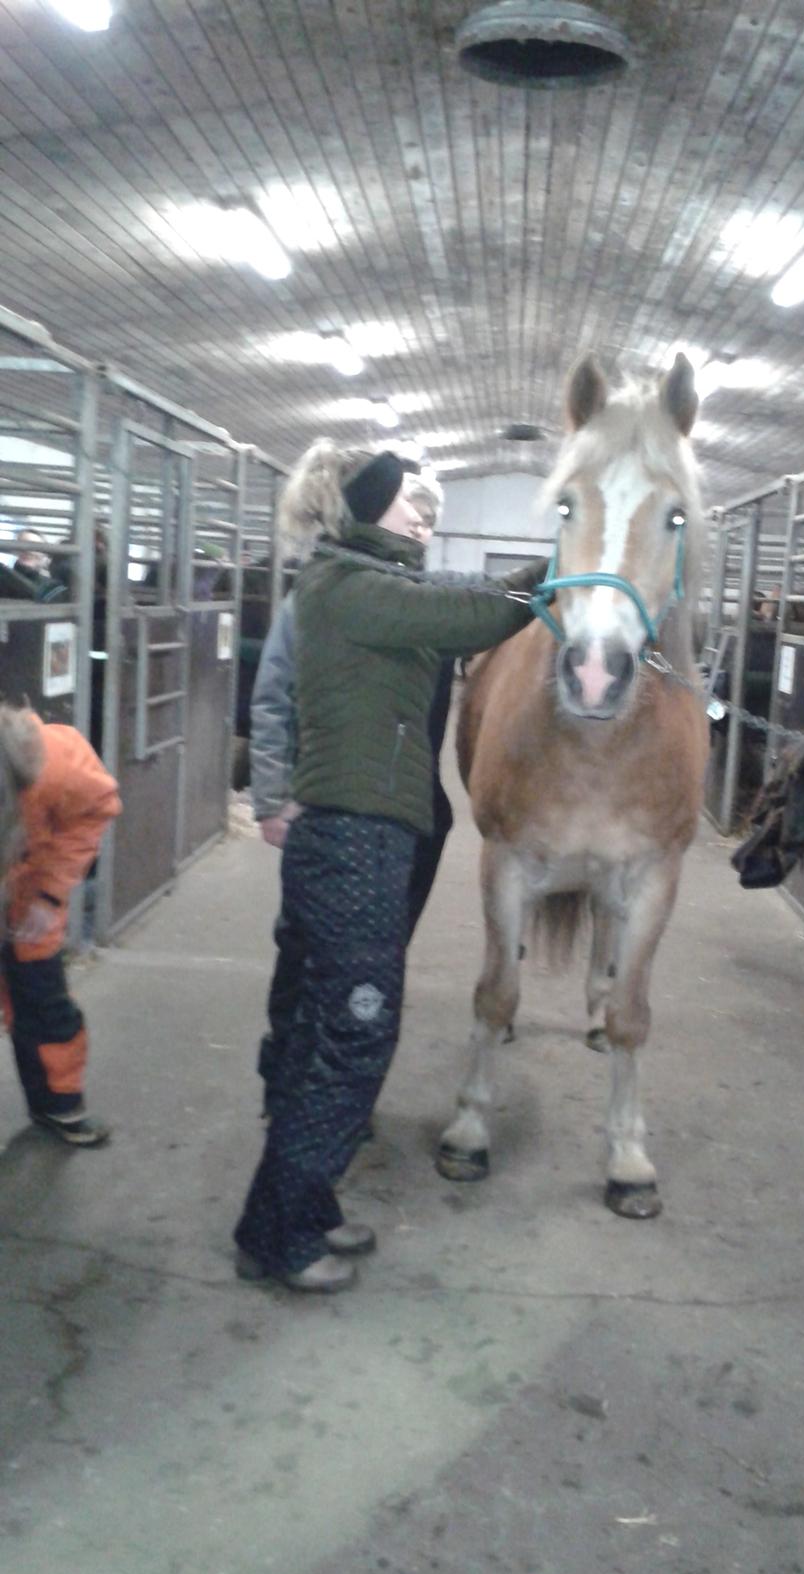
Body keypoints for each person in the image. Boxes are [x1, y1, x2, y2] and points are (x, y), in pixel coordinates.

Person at [233, 441, 546, 1293]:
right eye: (408, 501)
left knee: (323, 1033)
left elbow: (452, 601)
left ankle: (289, 1212)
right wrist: (560, 569)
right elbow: (470, 618)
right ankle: (281, 1236)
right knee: (356, 1032)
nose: (422, 514)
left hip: (365, 836)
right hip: (355, 841)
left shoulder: (365, 584)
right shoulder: (350, 588)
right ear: (367, 508)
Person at [248, 470, 454, 1121]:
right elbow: (273, 698)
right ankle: (288, 1081)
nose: (421, 527)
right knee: (305, 951)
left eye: (428, 521)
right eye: (410, 514)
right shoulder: (319, 597)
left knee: (378, 956)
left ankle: (335, 1097)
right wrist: (273, 797)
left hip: (410, 813)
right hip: (332, 806)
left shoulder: (421, 598)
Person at [0, 707, 121, 1145]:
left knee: (41, 995)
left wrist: (49, 893)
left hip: (29, 890)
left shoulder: (56, 758)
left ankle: (58, 1104)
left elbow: (97, 806)